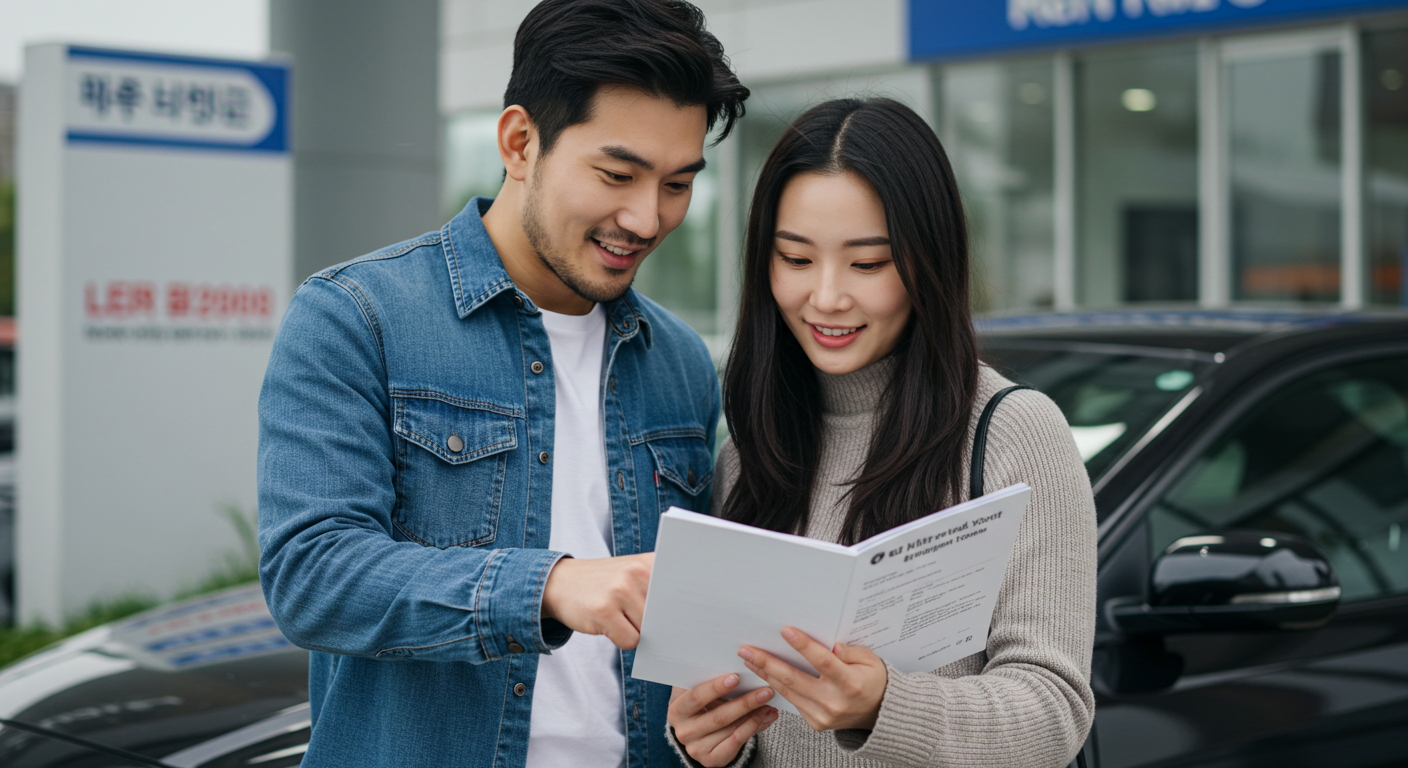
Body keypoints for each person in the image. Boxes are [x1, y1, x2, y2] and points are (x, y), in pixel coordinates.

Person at [256, 1, 747, 766]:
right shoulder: (358, 317)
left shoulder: (679, 361)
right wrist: (548, 587)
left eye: (678, 184)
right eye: (617, 175)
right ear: (520, 142)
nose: (647, 218)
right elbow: (312, 574)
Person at [665, 97, 1096, 768]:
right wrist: (708, 745)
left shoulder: (1014, 433)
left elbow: (1052, 712)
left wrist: (883, 706)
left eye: (868, 265)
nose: (828, 297)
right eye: (796, 259)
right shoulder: (750, 451)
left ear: (929, 260)